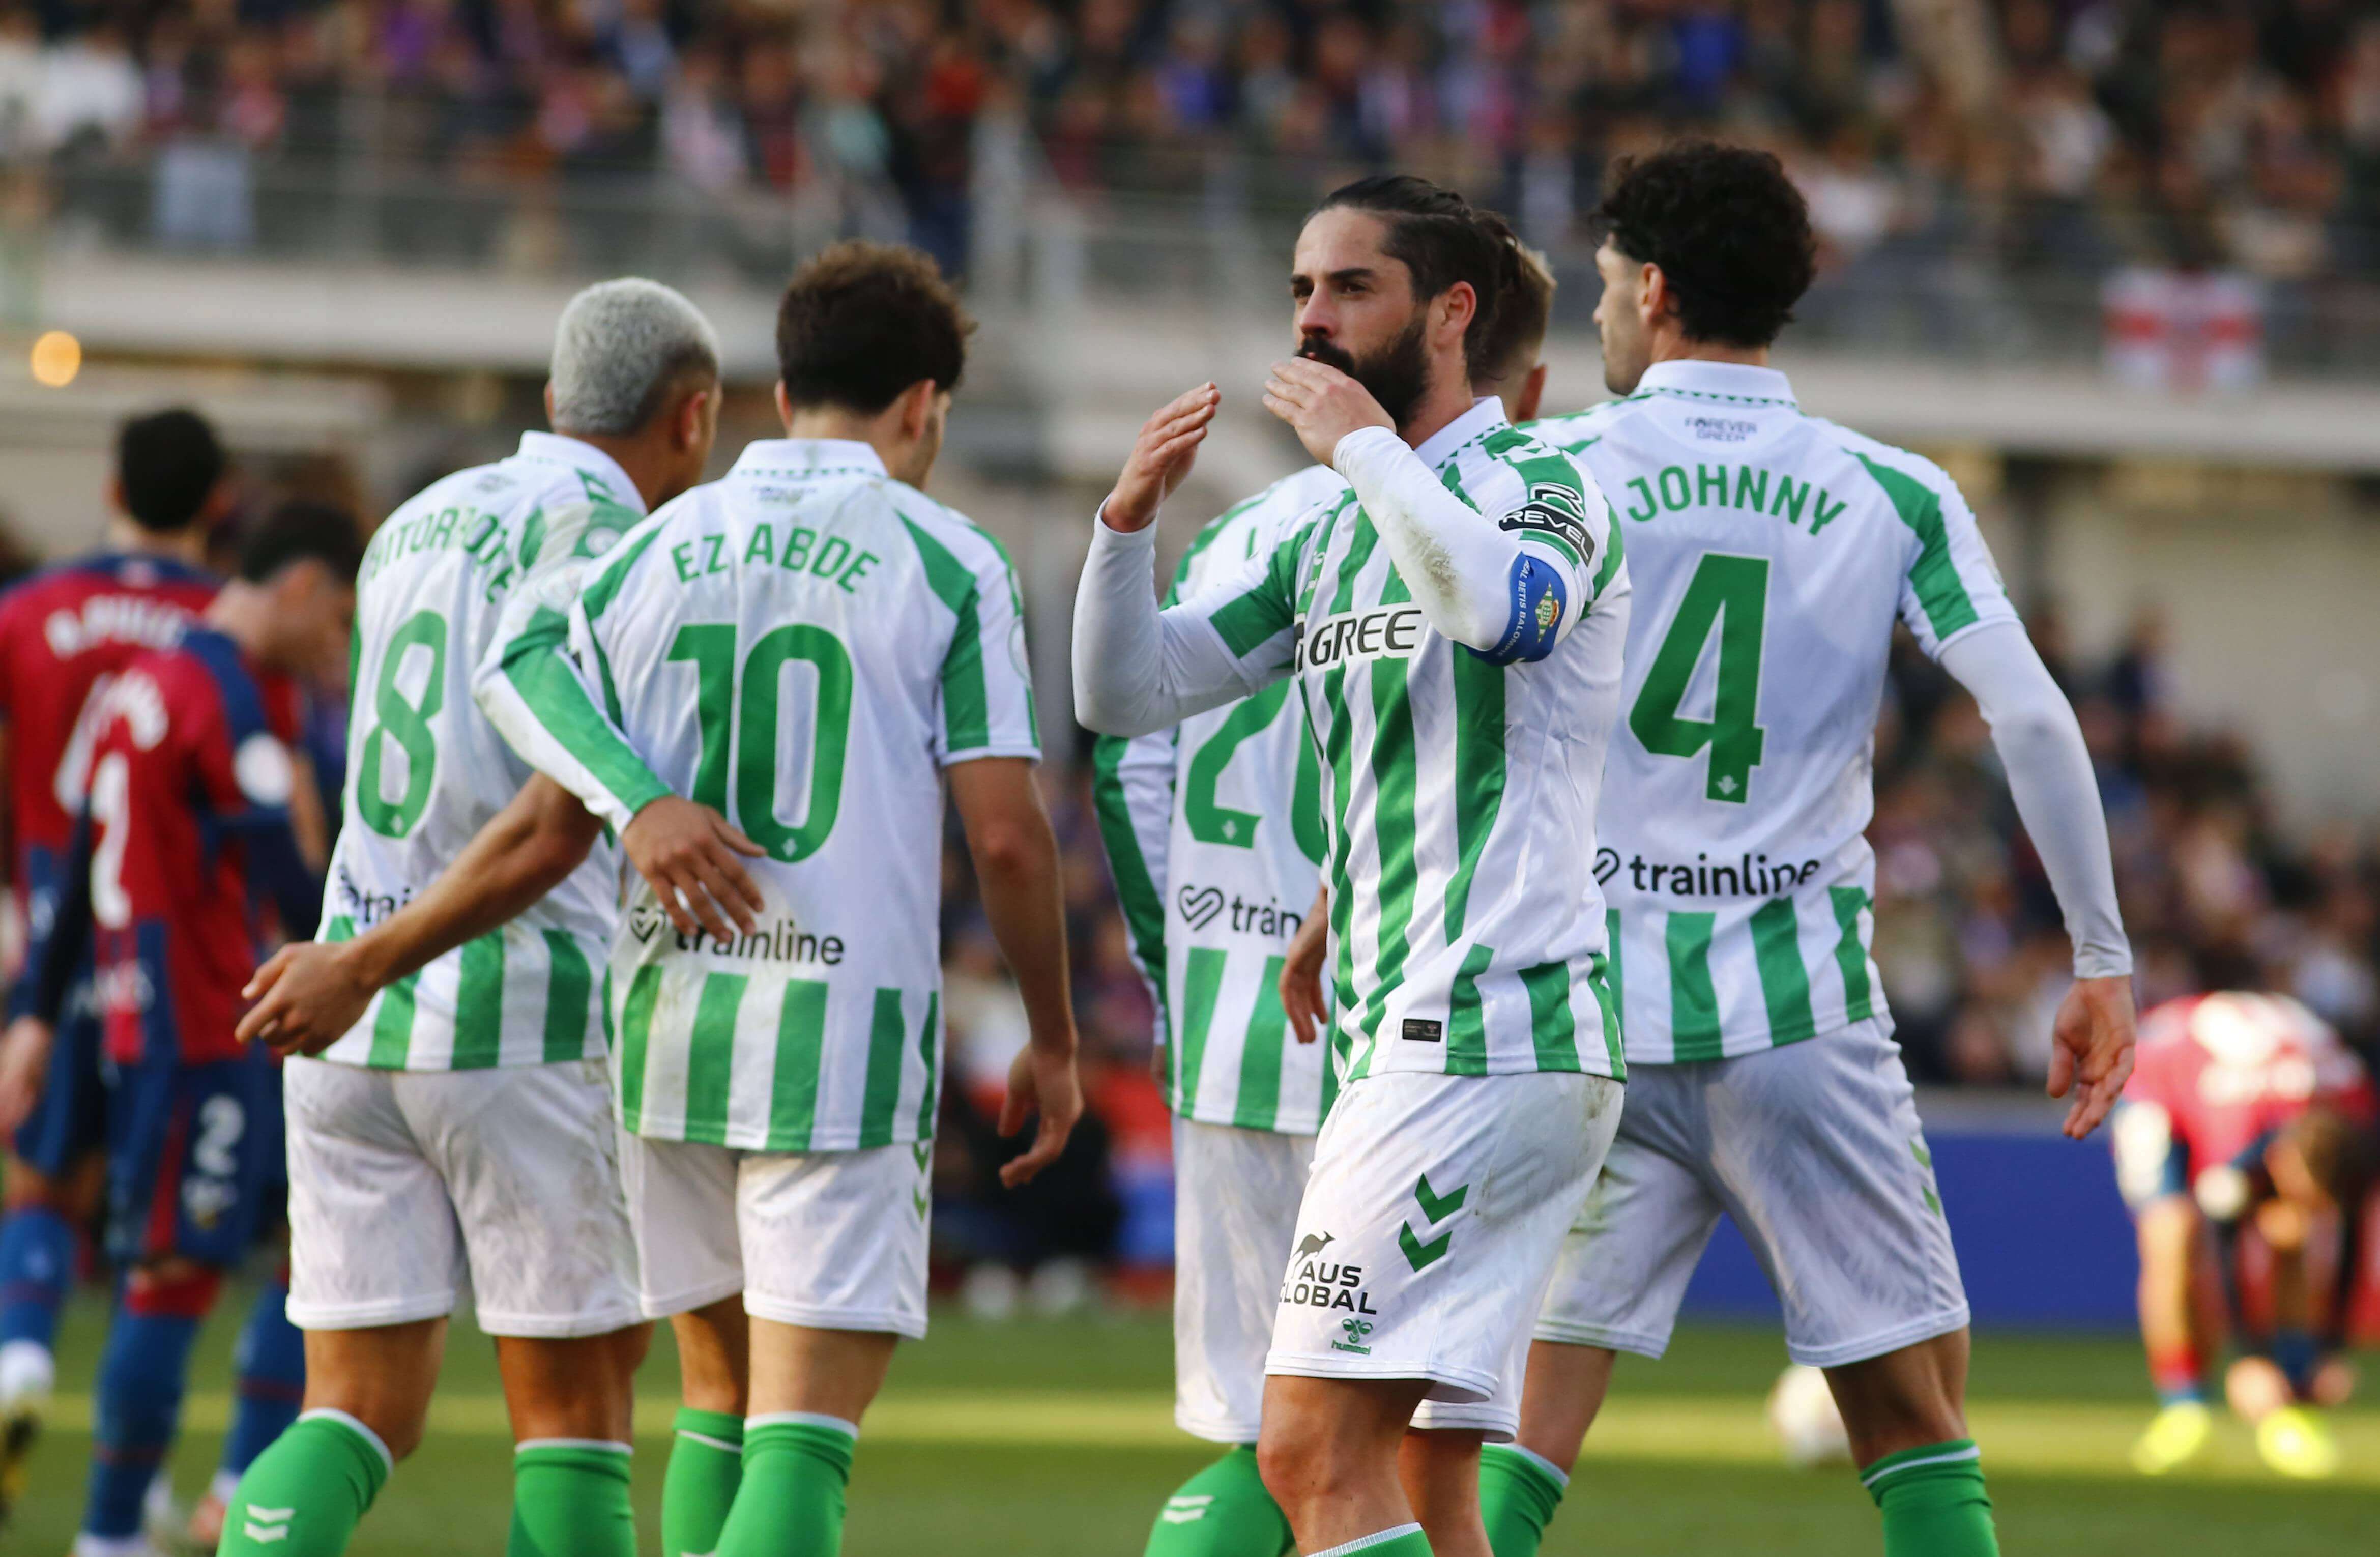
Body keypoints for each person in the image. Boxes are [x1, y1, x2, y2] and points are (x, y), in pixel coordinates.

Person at [245, 240, 1083, 1557]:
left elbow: (500, 682)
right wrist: (1056, 1026)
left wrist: (373, 946)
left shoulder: (433, 522)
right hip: (604, 1015)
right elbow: (1006, 841)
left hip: (472, 1014)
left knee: (383, 1407)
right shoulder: (886, 550)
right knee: (696, 1420)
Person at [1449, 141, 2135, 1557]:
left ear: (1650, 288)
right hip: (1797, 1016)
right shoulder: (1891, 490)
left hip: (1582, 1014)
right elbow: (2027, 710)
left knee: (1511, 1427)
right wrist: (2099, 957)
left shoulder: (1548, 466)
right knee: (1913, 1423)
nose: (1591, 319)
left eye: (1596, 292)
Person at [1076, 176, 1630, 1557]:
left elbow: (1502, 614)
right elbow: (1124, 694)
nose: (1310, 321)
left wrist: (1370, 453)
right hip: (1408, 1034)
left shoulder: (1547, 487)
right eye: (1298, 292)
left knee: (1310, 1447)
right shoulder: (1326, 533)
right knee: (1431, 1477)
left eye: (1347, 288)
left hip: (1490, 1030)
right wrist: (1123, 526)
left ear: (1451, 311)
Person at [206, 278, 742, 1557]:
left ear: (555, 399)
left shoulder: (411, 523)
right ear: (695, 415)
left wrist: (357, 962)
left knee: (355, 1411)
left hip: (343, 1011)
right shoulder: (624, 551)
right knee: (572, 1418)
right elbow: (551, 825)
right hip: (514, 1016)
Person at [0, 505, 359, 1557]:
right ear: (295, 589)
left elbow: (68, 861)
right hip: (205, 1026)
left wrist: (32, 1019)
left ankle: (218, 1488)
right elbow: (285, 871)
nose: (337, 640)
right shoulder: (225, 696)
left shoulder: (139, 685)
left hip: (142, 1014)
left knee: (310, 1241)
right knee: (177, 1272)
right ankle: (116, 1534)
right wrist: (366, 953)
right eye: (335, 614)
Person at [0, 408, 226, 1526]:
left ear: (110, 483)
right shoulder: (223, 623)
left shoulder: (24, 611)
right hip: (178, 961)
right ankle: (135, 1501)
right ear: (218, 499)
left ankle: (23, 1351)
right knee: (168, 1247)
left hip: (52, 938)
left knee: (42, 1186)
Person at [2112, 989, 2377, 1480]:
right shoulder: (2241, 1138)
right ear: (2278, 1163)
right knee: (2173, 1233)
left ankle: (2291, 1400)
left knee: (2290, 1233)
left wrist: (2331, 1351)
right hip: (2162, 1077)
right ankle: (2184, 1405)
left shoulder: (2358, 1124)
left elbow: (2352, 1234)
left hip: (2267, 1072)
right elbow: (2225, 1235)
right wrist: (2250, 1359)